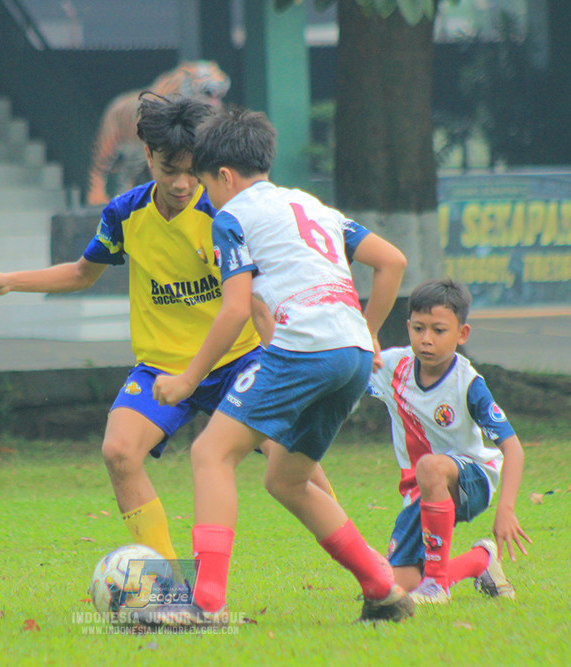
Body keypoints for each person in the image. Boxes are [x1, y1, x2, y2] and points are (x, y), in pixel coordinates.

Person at [0, 94, 336, 565]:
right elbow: (81, 273)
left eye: (192, 171)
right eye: (168, 169)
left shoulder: (227, 217)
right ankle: (169, 579)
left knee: (291, 459)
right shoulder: (125, 213)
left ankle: (368, 565)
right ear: (148, 156)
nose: (181, 184)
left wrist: (286, 367)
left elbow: (256, 305)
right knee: (119, 451)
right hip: (162, 368)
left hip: (238, 361)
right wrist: (9, 281)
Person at [144, 105, 411, 625]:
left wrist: (188, 379)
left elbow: (235, 309)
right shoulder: (312, 206)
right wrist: (369, 331)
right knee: (288, 480)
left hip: (302, 348)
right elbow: (392, 261)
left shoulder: (231, 217)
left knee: (210, 454)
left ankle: (206, 603)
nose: (204, 197)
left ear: (224, 176)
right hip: (353, 357)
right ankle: (383, 589)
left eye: (205, 185)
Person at [366, 277, 532, 604]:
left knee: (430, 466)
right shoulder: (392, 366)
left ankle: (437, 586)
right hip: (420, 491)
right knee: (393, 588)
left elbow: (513, 449)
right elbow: (347, 376)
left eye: (439, 330)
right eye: (418, 329)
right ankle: (480, 560)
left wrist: (506, 509)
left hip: (472, 479)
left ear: (462, 334)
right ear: (408, 327)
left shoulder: (467, 383)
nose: (426, 339)